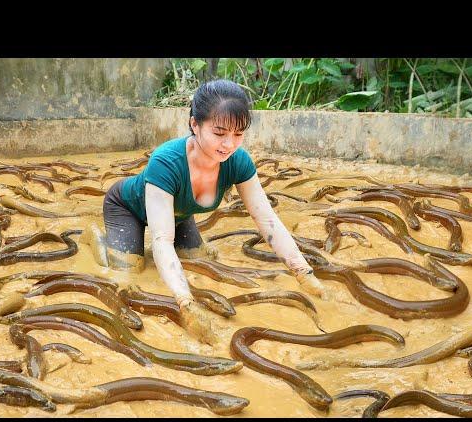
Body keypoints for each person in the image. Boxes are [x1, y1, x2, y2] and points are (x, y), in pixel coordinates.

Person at [91, 79, 327, 345]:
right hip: (127, 207)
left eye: (238, 134)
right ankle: (95, 238)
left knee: (198, 260)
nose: (229, 144)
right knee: (130, 268)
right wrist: (186, 302)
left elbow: (267, 219)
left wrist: (302, 272)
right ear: (195, 124)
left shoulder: (238, 161)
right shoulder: (166, 161)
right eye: (219, 132)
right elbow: (161, 239)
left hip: (179, 213)